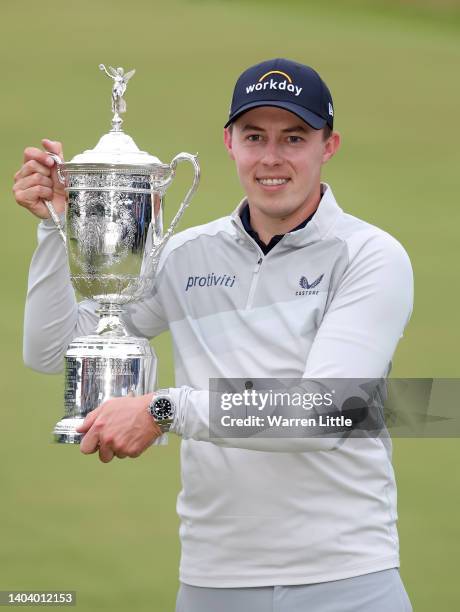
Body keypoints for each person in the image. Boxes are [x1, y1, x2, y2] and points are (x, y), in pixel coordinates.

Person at [14, 58, 414, 611]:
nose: (271, 158)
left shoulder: (370, 257)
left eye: (293, 137)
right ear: (229, 142)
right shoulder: (184, 255)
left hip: (345, 579)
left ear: (329, 145)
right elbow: (50, 351)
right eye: (255, 136)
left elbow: (325, 413)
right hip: (212, 582)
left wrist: (163, 410)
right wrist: (57, 227)